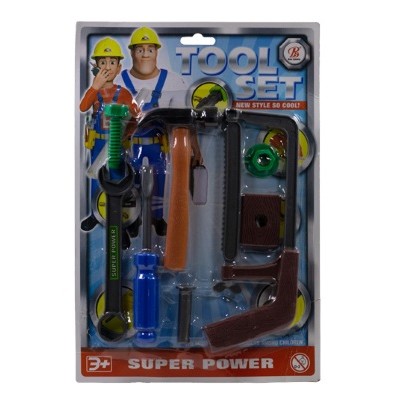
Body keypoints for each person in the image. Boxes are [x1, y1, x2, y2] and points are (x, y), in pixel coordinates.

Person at [121, 27, 202, 236]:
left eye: (150, 49)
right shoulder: (119, 82)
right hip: (131, 147)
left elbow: (186, 123)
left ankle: (157, 218)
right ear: (132, 52)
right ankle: (133, 218)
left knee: (159, 181)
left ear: (157, 52)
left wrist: (196, 150)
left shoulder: (174, 81)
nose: (145, 54)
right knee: (132, 182)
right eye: (140, 49)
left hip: (158, 145)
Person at [80, 37, 140, 232]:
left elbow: (136, 116)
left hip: (117, 144)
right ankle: (95, 214)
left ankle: (128, 216)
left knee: (119, 177)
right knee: (97, 179)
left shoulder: (124, 93)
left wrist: (127, 133)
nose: (107, 67)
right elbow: (83, 107)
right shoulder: (94, 92)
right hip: (98, 143)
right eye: (103, 62)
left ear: (119, 67)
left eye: (112, 62)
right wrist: (95, 86)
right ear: (96, 66)